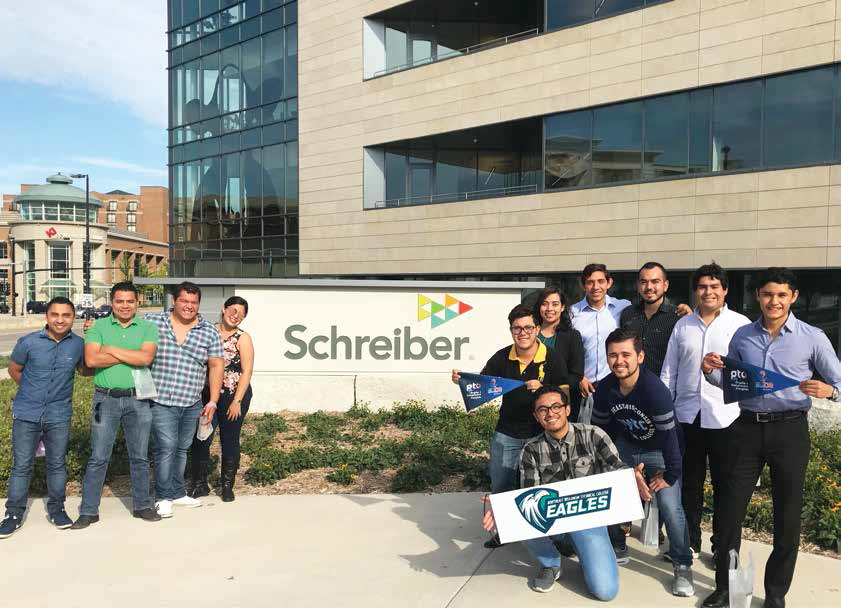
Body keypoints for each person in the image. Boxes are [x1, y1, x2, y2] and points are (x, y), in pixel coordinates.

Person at [701, 267, 841, 608]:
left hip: (790, 430)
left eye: (781, 295)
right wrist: (711, 373)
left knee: (787, 515)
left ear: (792, 296)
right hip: (746, 429)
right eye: (767, 294)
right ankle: (726, 588)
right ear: (758, 297)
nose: (773, 301)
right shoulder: (742, 336)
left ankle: (776, 593)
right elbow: (734, 382)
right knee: (730, 512)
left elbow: (839, 383)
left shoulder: (813, 337)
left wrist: (830, 390)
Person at [481, 385, 651, 598]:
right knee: (525, 519)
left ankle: (581, 549)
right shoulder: (531, 450)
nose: (550, 413)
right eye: (542, 410)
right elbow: (529, 497)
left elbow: (616, 467)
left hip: (588, 521)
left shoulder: (593, 435)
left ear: (568, 409)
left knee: (605, 591)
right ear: (536, 416)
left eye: (555, 406)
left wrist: (631, 476)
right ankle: (550, 563)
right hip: (553, 522)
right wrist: (504, 511)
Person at [452, 304, 568, 546]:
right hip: (508, 432)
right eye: (517, 328)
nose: (523, 333)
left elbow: (565, 396)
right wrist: (462, 381)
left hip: (542, 434)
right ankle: (502, 531)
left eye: (528, 327)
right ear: (511, 330)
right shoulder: (502, 356)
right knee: (502, 484)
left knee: (548, 486)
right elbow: (483, 382)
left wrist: (545, 390)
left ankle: (556, 538)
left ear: (537, 328)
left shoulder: (552, 357)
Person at [592, 327, 694, 597]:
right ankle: (617, 545)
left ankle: (682, 564)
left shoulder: (654, 390)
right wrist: (620, 467)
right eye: (613, 355)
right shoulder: (604, 388)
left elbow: (671, 438)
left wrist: (670, 475)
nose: (619, 361)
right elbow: (600, 434)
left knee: (671, 507)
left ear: (640, 356)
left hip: (660, 450)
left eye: (626, 354)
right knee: (612, 493)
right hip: (626, 446)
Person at [660, 263, 751, 560]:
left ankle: (724, 549)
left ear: (725, 290)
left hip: (728, 417)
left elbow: (750, 374)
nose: (708, 292)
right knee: (689, 485)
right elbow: (669, 371)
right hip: (687, 416)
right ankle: (688, 543)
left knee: (727, 488)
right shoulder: (682, 325)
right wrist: (665, 409)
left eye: (714, 286)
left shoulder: (741, 325)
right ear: (695, 291)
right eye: (702, 287)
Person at [71, 283, 162, 529]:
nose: (125, 306)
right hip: (105, 399)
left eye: (129, 301)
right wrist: (128, 353)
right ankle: (89, 510)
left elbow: (145, 358)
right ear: (112, 302)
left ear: (137, 302)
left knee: (140, 457)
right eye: (120, 301)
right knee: (98, 457)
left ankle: (143, 505)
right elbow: (91, 359)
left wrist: (109, 349)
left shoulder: (147, 328)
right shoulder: (98, 327)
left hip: (138, 399)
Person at [0, 297, 90, 538]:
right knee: (21, 465)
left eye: (66, 315)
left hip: (58, 415)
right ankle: (13, 514)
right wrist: (30, 391)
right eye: (55, 315)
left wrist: (92, 342)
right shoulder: (28, 342)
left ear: (73, 318)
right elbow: (14, 369)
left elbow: (85, 371)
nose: (60, 320)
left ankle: (57, 509)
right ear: (47, 317)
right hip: (27, 413)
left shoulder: (78, 345)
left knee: (57, 464)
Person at [145, 281, 223, 518]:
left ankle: (177, 492)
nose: (189, 306)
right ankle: (162, 497)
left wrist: (213, 401)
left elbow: (216, 366)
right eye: (184, 301)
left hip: (192, 402)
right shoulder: (152, 321)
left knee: (181, 449)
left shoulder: (208, 331)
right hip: (160, 399)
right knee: (165, 448)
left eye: (193, 302)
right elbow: (124, 326)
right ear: (174, 301)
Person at [189, 296, 254, 502]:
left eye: (241, 314)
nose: (236, 316)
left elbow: (247, 371)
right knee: (201, 438)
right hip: (207, 395)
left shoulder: (242, 338)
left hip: (234, 395)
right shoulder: (208, 332)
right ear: (224, 309)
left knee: (230, 439)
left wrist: (237, 401)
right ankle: (199, 484)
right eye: (233, 311)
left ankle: (227, 486)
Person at [620, 262, 691, 377]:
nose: (649, 287)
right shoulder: (627, 314)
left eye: (655, 281)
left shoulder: (678, 316)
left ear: (665, 285)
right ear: (638, 286)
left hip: (665, 387)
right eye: (643, 282)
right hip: (631, 387)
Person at [571, 264, 631, 399]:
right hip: (584, 387)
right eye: (590, 282)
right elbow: (567, 351)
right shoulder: (572, 313)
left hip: (616, 385)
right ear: (583, 285)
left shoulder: (624, 307)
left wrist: (685, 311)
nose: (596, 287)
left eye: (601, 281)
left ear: (609, 283)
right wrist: (579, 377)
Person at [533, 286, 585, 420]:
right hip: (530, 403)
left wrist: (546, 388)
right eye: (544, 304)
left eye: (555, 304)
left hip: (559, 405)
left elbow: (576, 374)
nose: (549, 309)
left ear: (562, 307)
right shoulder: (529, 333)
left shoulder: (572, 336)